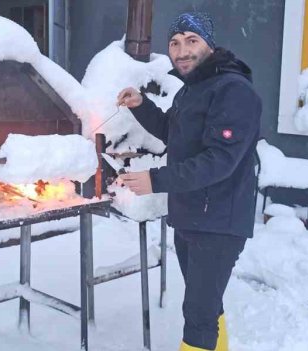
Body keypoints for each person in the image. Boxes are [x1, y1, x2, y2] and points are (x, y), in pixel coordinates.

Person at [116, 12, 262, 351]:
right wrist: (141, 106)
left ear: (209, 45)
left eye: (191, 41)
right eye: (175, 43)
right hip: (191, 216)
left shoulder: (233, 90)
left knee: (197, 314)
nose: (181, 51)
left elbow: (220, 160)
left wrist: (156, 179)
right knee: (206, 306)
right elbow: (174, 132)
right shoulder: (194, 89)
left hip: (219, 221)